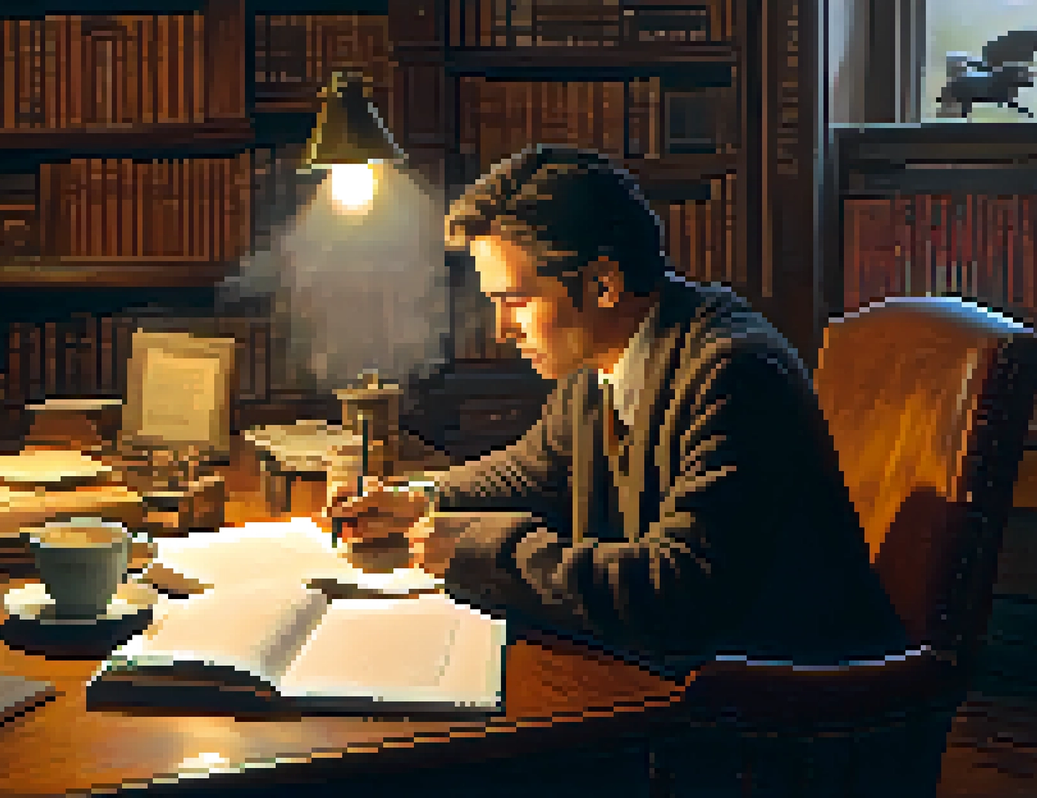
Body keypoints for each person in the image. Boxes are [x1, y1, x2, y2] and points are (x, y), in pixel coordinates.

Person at [325, 145, 907, 674]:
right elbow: (532, 471)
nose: (502, 329)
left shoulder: (733, 374)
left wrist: (480, 549)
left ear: (603, 284)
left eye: (516, 300)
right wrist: (417, 498)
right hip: (697, 684)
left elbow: (677, 590)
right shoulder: (602, 360)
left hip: (791, 712)